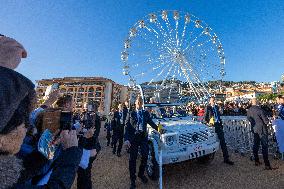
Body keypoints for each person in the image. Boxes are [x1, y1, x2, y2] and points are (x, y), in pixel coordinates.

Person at [0, 35, 82, 188]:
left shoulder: (5, 170)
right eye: (24, 124)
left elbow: (20, 171)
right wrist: (71, 154)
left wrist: (44, 154)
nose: (27, 129)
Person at [124, 96, 159, 189]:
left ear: (142, 103)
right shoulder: (131, 113)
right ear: (135, 103)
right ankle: (132, 180)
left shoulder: (145, 113)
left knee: (145, 156)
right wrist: (126, 139)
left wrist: (160, 129)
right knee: (132, 159)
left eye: (141, 102)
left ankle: (140, 174)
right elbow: (126, 127)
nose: (139, 103)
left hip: (143, 138)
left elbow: (151, 123)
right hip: (133, 139)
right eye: (138, 102)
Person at [247, 98, 277, 170]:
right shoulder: (260, 110)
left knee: (256, 145)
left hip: (255, 129)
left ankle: (256, 161)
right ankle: (267, 165)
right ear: (257, 102)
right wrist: (269, 120)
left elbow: (249, 119)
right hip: (262, 130)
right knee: (264, 146)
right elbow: (266, 121)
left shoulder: (249, 110)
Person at [204, 96, 234, 165]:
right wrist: (208, 124)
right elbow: (204, 119)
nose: (213, 101)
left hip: (218, 125)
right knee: (209, 142)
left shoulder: (217, 107)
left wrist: (221, 112)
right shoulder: (207, 108)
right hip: (212, 126)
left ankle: (226, 159)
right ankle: (206, 159)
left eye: (214, 100)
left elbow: (219, 116)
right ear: (209, 101)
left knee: (223, 142)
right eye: (212, 100)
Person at [78, 101, 101, 189]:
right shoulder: (84, 116)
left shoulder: (95, 118)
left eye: (86, 107)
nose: (85, 109)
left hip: (89, 147)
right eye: (84, 107)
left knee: (85, 173)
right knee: (82, 173)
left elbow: (94, 134)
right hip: (83, 146)